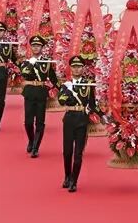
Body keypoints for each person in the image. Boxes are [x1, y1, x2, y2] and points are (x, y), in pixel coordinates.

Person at [58, 55, 99, 192]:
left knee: (78, 153)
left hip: (82, 119)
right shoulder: (66, 85)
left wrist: (94, 112)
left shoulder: (88, 84)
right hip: (69, 119)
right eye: (74, 67)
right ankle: (67, 176)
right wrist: (69, 93)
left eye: (79, 67)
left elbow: (93, 103)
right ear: (71, 68)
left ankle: (74, 181)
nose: (76, 69)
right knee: (67, 151)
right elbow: (61, 100)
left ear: (83, 68)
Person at [20, 35, 59, 158]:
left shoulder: (47, 62)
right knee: (28, 122)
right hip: (30, 92)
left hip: (41, 93)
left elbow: (54, 80)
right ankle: (31, 140)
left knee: (40, 122)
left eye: (38, 45)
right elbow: (24, 74)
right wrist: (31, 64)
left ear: (42, 47)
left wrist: (54, 89)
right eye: (34, 45)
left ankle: (36, 147)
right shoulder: (26, 62)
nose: (36, 47)